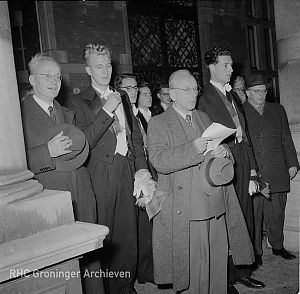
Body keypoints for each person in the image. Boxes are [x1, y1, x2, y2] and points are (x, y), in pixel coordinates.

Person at [147, 69, 254, 293]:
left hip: (215, 200)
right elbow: (159, 161)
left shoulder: (203, 117)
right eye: (187, 90)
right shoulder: (158, 123)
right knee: (194, 268)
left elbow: (216, 146)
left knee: (217, 263)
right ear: (172, 94)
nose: (193, 94)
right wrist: (192, 149)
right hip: (186, 206)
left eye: (195, 89)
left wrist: (224, 151)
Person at [64, 43, 155, 294]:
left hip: (126, 167)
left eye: (108, 66)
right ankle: (102, 288)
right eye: (98, 66)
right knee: (105, 235)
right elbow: (85, 142)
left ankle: (125, 287)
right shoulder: (77, 101)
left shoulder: (123, 96)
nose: (105, 71)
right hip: (100, 172)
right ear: (88, 69)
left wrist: (141, 169)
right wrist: (106, 110)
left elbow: (134, 136)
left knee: (128, 236)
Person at [21, 53, 104, 294]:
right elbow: (12, 165)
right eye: (46, 75)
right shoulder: (17, 115)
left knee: (89, 262)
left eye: (57, 76)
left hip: (81, 194)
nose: (54, 80)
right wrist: (47, 151)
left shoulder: (67, 112)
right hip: (48, 201)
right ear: (32, 80)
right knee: (58, 271)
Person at [197, 46, 265, 293]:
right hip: (221, 162)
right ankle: (224, 278)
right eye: (225, 65)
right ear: (212, 67)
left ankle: (243, 271)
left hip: (242, 158)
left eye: (231, 64)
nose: (231, 69)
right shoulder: (203, 98)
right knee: (224, 219)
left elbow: (245, 136)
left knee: (244, 216)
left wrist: (253, 170)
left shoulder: (234, 95)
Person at [243, 73, 299, 264]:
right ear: (247, 93)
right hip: (254, 171)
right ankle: (256, 252)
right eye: (256, 91)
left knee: (277, 211)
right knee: (255, 215)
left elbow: (286, 138)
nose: (261, 95)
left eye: (264, 91)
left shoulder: (277, 110)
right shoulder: (240, 112)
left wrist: (292, 163)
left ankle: (277, 246)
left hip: (276, 168)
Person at [114, 74, 155, 285]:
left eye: (135, 88)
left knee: (145, 224)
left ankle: (146, 270)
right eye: (128, 88)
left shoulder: (137, 114)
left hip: (143, 169)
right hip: (124, 172)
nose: (133, 92)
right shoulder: (118, 112)